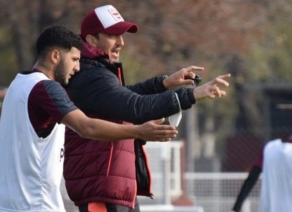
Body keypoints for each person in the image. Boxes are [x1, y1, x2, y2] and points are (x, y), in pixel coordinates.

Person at [0, 25, 178, 212]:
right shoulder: (46, 88)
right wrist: (139, 131)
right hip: (34, 205)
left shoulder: (18, 84)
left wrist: (162, 84)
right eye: (74, 59)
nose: (77, 67)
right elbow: (87, 127)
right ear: (55, 56)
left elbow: (117, 97)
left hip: (2, 205)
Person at [63, 4, 231, 212]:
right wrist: (192, 95)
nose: (121, 42)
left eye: (122, 35)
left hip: (111, 187)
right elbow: (135, 107)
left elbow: (125, 97)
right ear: (91, 40)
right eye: (113, 35)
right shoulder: (91, 75)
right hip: (101, 188)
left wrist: (163, 83)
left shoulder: (96, 71)